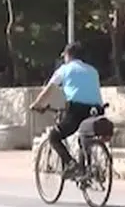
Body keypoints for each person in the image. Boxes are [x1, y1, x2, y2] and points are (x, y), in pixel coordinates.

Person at [29, 42, 103, 178]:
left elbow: (48, 90)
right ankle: (87, 170)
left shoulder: (64, 69)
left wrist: (36, 104)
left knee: (54, 136)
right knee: (84, 137)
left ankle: (71, 164)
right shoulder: (93, 70)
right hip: (98, 109)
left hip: (77, 110)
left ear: (68, 55)